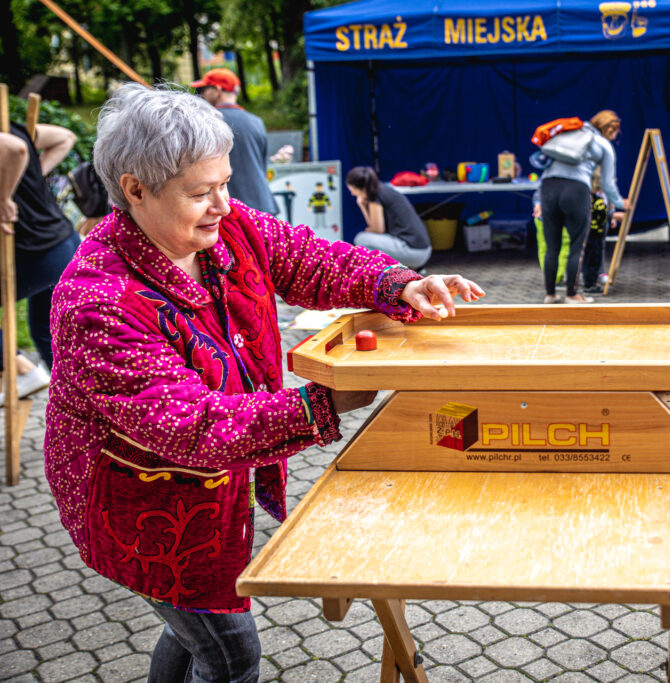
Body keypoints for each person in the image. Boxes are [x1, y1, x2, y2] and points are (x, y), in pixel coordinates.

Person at [43, 83, 484, 683]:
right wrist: (317, 407)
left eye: (224, 183)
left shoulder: (229, 227)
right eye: (201, 193)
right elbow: (192, 425)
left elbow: (308, 259)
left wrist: (396, 283)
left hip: (213, 489)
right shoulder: (98, 301)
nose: (224, 204)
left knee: (192, 632)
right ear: (135, 190)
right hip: (145, 505)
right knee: (229, 654)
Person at [1, 118, 82, 399]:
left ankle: (23, 370)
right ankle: (77, 408)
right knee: (47, 334)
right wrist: (24, 178)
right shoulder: (11, 126)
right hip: (63, 242)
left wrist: (4, 197)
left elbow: (15, 150)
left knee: (50, 335)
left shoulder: (7, 136)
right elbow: (64, 136)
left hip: (40, 251)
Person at [539, 110, 629, 304]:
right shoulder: (603, 144)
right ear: (610, 129)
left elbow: (544, 165)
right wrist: (621, 203)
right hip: (576, 189)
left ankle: (550, 294)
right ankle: (572, 295)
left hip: (548, 187)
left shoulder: (567, 133)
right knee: (576, 246)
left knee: (552, 247)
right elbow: (607, 183)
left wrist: (538, 200)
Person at [193, 68, 279, 216]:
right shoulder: (256, 121)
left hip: (232, 211)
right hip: (264, 206)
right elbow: (262, 165)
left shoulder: (206, 122)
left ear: (218, 90)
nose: (201, 95)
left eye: (204, 89)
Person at [346, 166, 432, 270]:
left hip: (414, 252)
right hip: (422, 250)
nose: (352, 194)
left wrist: (362, 205)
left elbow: (377, 230)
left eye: (353, 190)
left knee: (361, 239)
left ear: (362, 188)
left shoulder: (375, 196)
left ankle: (383, 274)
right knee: (366, 241)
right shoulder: (383, 190)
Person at [581, 111, 627, 294]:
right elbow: (604, 188)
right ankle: (590, 281)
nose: (615, 137)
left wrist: (612, 209)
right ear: (608, 128)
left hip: (602, 205)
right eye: (614, 132)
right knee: (593, 246)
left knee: (597, 245)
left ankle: (595, 274)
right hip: (595, 208)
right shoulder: (598, 147)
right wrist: (615, 210)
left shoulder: (596, 146)